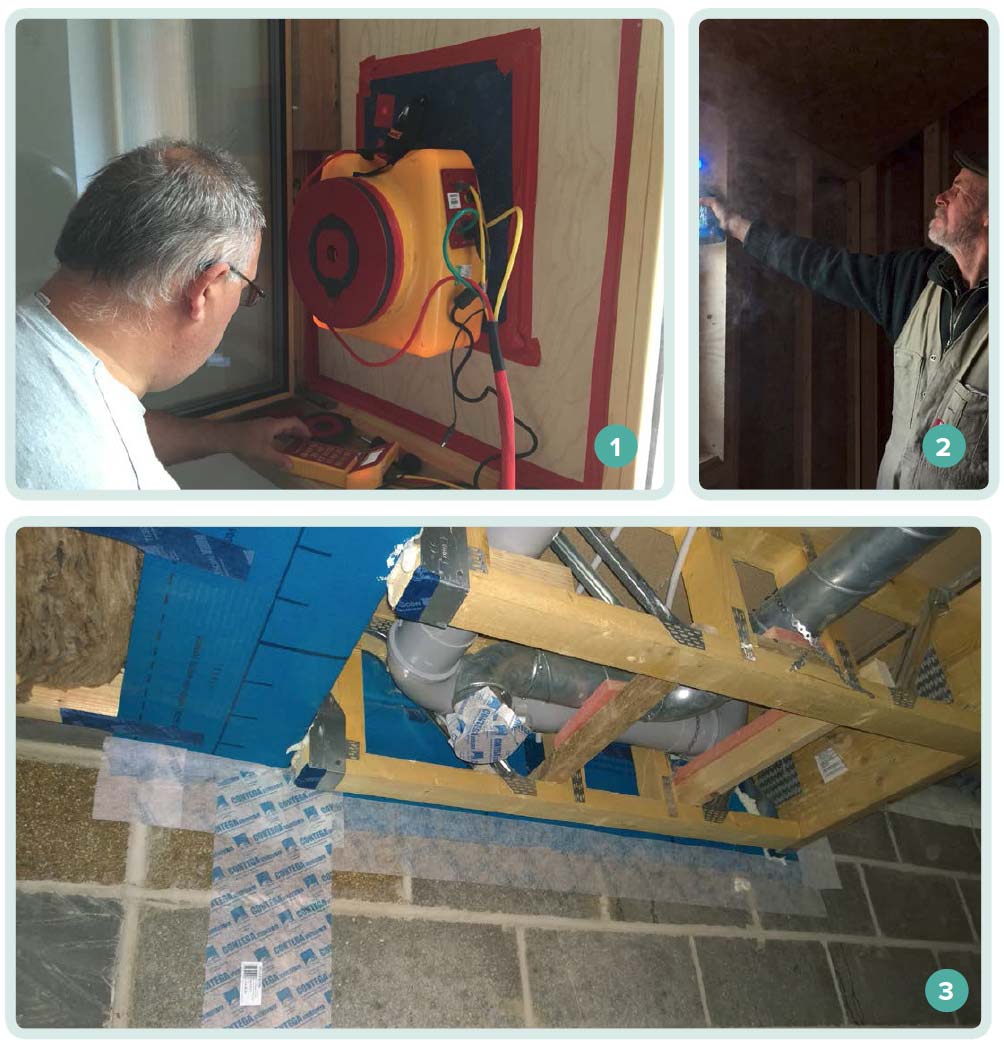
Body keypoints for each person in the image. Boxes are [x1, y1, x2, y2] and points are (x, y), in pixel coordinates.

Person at [16, 137, 309, 490]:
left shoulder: (30, 339)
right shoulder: (126, 491)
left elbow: (92, 417)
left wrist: (231, 437)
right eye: (246, 291)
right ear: (205, 289)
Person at [700, 151, 989, 490]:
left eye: (958, 190)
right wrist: (735, 224)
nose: (940, 197)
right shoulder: (912, 280)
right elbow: (823, 266)